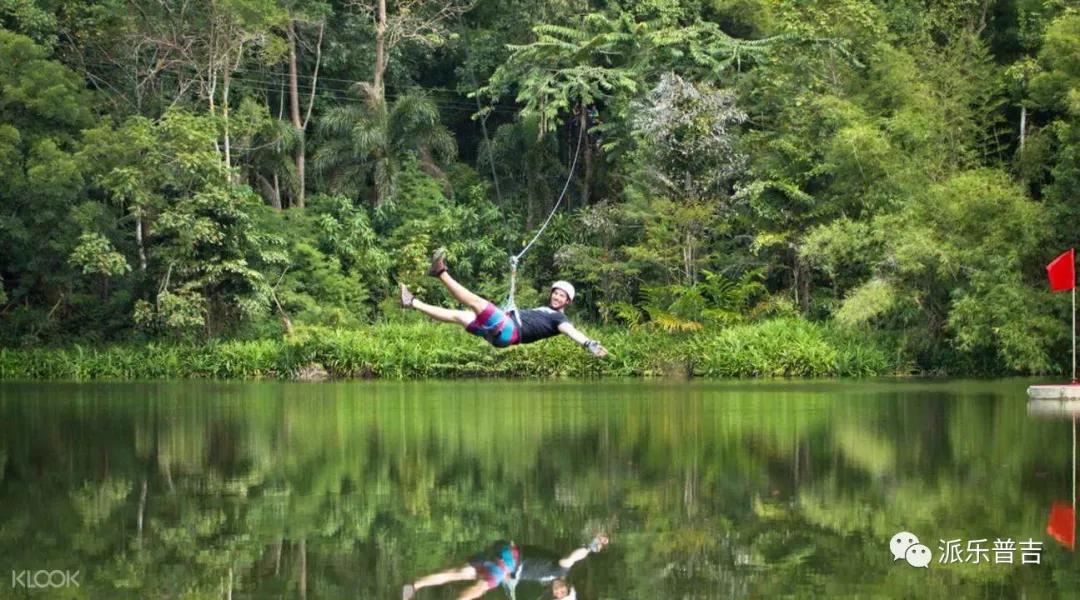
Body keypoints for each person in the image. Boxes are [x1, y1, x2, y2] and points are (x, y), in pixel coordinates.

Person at [399, 249, 608, 357]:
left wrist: (587, 343)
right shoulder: (542, 309)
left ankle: (440, 272)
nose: (557, 297)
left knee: (476, 302)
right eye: (556, 293)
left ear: (567, 302)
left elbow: (571, 331)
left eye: (562, 296)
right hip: (501, 336)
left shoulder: (559, 318)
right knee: (459, 316)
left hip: (508, 331)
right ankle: (412, 302)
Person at [402, 534, 609, 600]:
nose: (559, 591)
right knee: (480, 588)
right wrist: (590, 547)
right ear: (567, 583)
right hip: (510, 559)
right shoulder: (561, 570)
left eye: (560, 595)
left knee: (458, 573)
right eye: (564, 590)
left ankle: (413, 586)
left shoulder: (545, 580)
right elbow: (572, 558)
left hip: (501, 553)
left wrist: (510, 578)